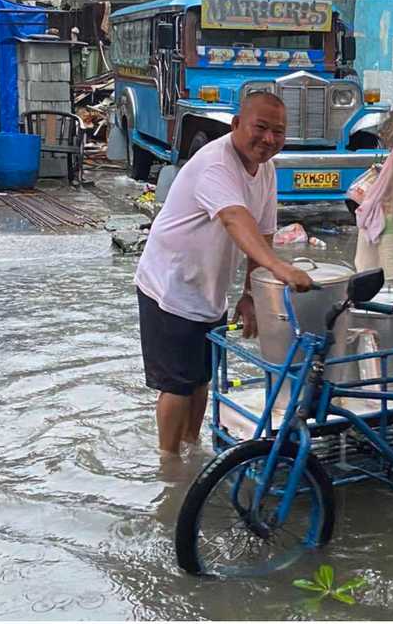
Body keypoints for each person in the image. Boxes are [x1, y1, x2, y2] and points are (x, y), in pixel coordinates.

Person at [133, 91, 315, 463]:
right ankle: (168, 465)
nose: (268, 139)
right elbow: (235, 218)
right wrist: (282, 270)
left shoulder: (265, 170)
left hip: (209, 288)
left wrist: (252, 295)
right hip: (169, 284)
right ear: (236, 125)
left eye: (277, 132)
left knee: (201, 380)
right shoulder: (216, 163)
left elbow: (262, 234)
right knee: (177, 385)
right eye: (260, 128)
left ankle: (191, 449)